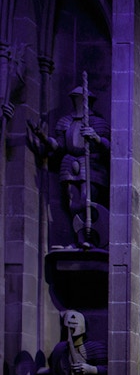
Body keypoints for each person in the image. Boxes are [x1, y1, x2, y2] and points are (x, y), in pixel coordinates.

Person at [28, 81, 111, 249]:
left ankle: (93, 237)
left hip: (91, 164)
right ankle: (80, 239)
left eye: (81, 98)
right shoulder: (65, 122)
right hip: (70, 163)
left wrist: (95, 137)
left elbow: (109, 146)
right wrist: (43, 137)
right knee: (74, 203)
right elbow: (58, 146)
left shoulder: (98, 122)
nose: (78, 101)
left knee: (88, 200)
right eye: (76, 98)